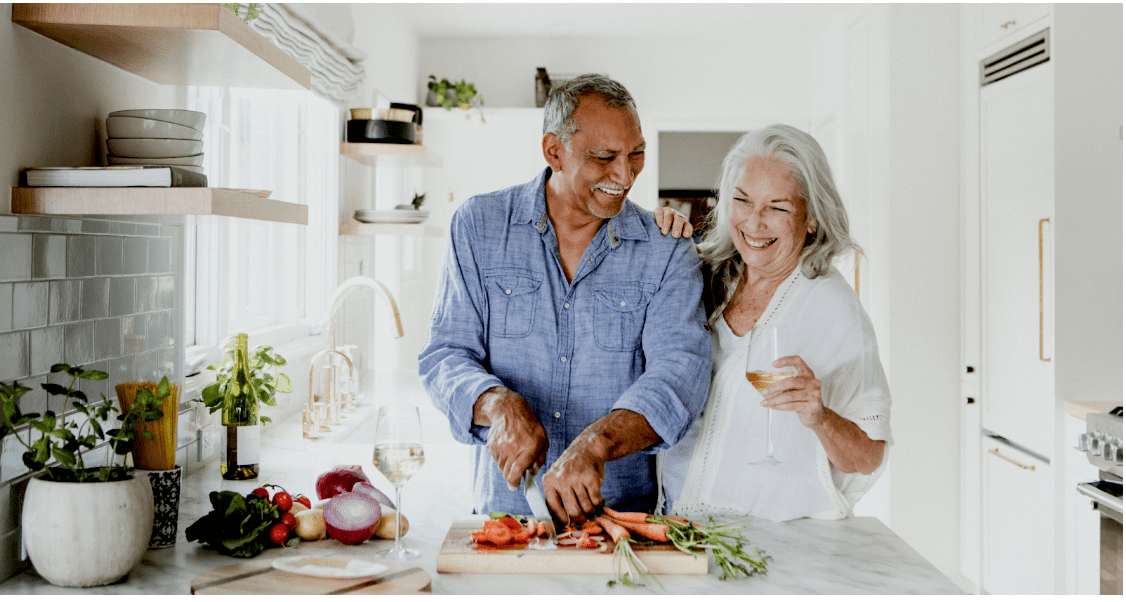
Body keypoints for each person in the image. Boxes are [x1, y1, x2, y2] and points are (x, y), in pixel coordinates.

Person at [418, 74, 712, 525]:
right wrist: (496, 403)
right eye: (604, 157)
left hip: (620, 523)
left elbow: (679, 376)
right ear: (554, 151)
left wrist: (596, 444)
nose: (625, 175)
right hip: (503, 519)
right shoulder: (478, 226)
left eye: (636, 155)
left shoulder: (667, 248)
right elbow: (445, 354)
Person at [654, 124, 892, 521]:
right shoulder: (705, 275)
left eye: (777, 208)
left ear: (811, 218)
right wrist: (655, 235)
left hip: (767, 544)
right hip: (672, 525)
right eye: (742, 201)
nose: (754, 222)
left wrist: (820, 417)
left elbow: (867, 457)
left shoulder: (832, 309)